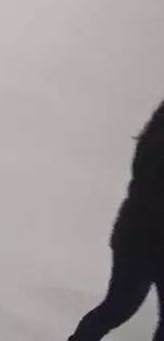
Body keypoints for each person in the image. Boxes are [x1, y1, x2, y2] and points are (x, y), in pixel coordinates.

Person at [66, 96, 164, 341]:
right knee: (118, 308)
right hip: (145, 239)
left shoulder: (156, 134)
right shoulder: (158, 145)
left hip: (134, 236)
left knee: (117, 308)